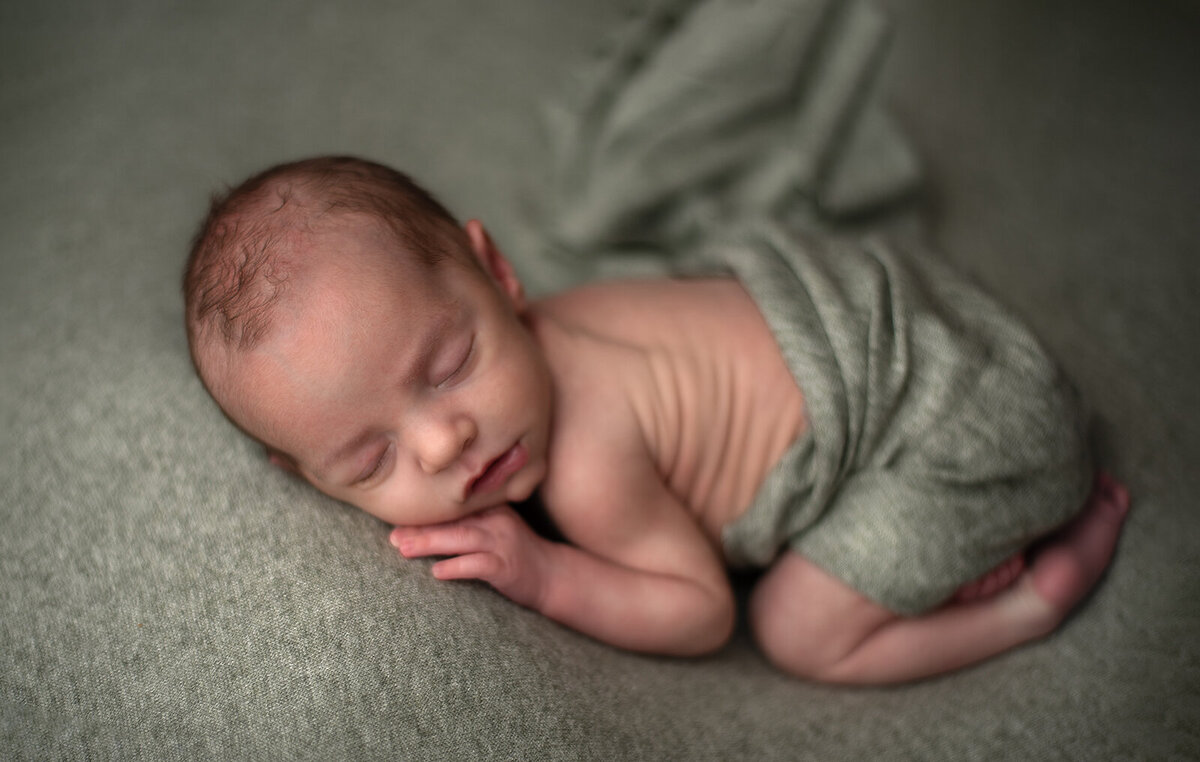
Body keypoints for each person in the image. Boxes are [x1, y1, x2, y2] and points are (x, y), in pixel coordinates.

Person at [183, 155, 1130, 684]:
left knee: (800, 631)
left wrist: (549, 574)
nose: (443, 443)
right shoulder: (547, 331)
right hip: (906, 316)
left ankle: (1030, 601)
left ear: (500, 274)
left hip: (962, 428)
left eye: (451, 365)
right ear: (299, 474)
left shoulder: (591, 462)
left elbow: (703, 612)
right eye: (369, 458)